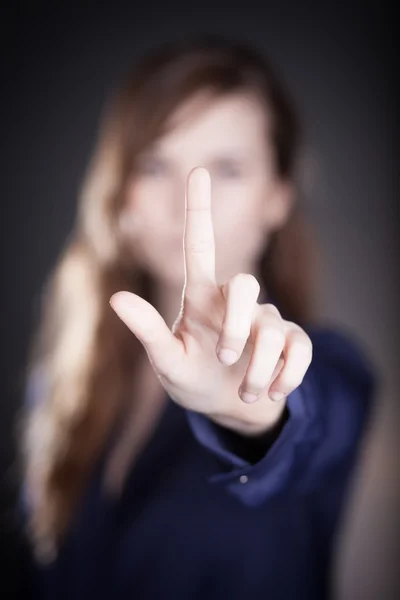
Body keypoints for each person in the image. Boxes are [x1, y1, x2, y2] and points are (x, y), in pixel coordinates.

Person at [20, 35, 377, 599]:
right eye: (156, 163)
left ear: (277, 197)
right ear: (121, 191)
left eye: (226, 169)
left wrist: (258, 411)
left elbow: (311, 427)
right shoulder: (62, 386)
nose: (188, 199)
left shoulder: (332, 370)